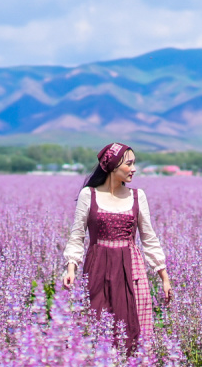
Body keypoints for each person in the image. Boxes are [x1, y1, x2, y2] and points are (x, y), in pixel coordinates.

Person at [62, 142, 172, 350]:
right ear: (113, 165)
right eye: (129, 164)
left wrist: (164, 277)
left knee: (132, 325)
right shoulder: (89, 195)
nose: (134, 169)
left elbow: (149, 239)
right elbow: (77, 235)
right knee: (94, 324)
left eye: (134, 164)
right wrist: (71, 268)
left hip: (131, 269)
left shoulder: (138, 196)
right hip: (97, 269)